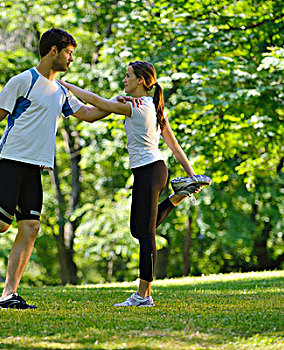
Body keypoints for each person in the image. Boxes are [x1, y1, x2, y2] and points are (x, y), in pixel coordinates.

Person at [0, 28, 111, 309]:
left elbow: (91, 114)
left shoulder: (61, 91)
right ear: (53, 51)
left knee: (31, 227)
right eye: (69, 53)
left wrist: (119, 104)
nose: (72, 59)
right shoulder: (23, 81)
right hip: (9, 158)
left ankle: (8, 295)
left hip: (35, 167)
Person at [58, 61, 211, 307]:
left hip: (149, 171)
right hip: (153, 170)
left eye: (127, 76)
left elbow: (98, 102)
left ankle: (143, 295)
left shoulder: (137, 108)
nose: (124, 80)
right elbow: (172, 143)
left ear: (141, 80)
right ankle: (178, 195)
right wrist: (190, 173)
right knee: (137, 229)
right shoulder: (151, 105)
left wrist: (65, 85)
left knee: (146, 235)